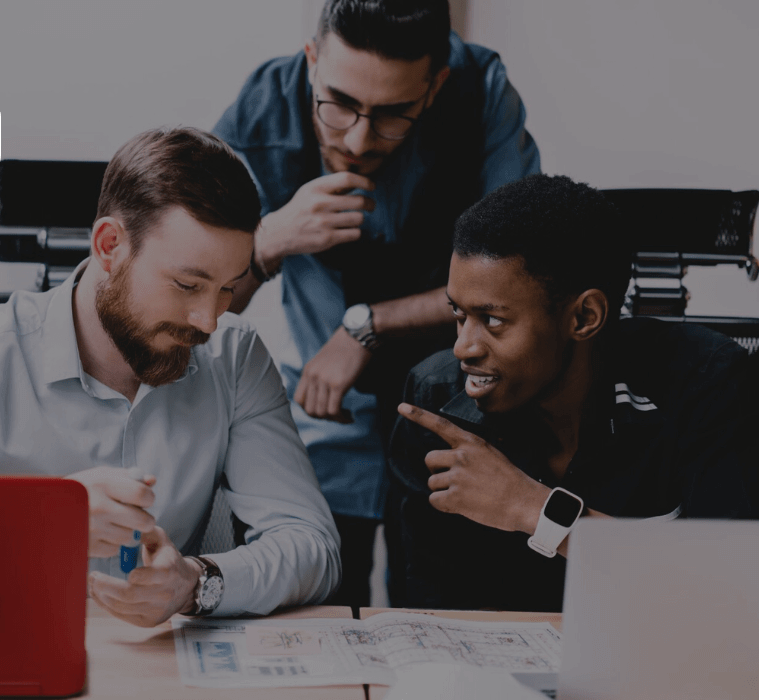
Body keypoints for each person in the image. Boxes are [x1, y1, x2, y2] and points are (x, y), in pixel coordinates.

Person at [0, 127, 341, 627]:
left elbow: (312, 546)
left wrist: (195, 582)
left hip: (156, 669)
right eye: (188, 285)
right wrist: (45, 523)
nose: (208, 320)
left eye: (227, 289)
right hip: (1, 644)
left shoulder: (235, 358)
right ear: (109, 245)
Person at [212, 0, 539, 607]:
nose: (359, 140)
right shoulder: (263, 106)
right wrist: (269, 242)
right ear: (312, 60)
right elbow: (198, 304)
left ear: (434, 85)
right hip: (322, 425)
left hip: (461, 417)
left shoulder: (480, 90)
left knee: (446, 624)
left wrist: (365, 327)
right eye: (337, 105)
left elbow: (516, 285)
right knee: (317, 617)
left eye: (393, 115)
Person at [389, 174, 758, 612]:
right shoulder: (434, 401)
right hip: (488, 674)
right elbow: (424, 610)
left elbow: (732, 590)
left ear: (585, 317)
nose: (462, 347)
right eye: (458, 314)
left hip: (654, 668)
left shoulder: (707, 384)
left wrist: (533, 508)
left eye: (493, 320)